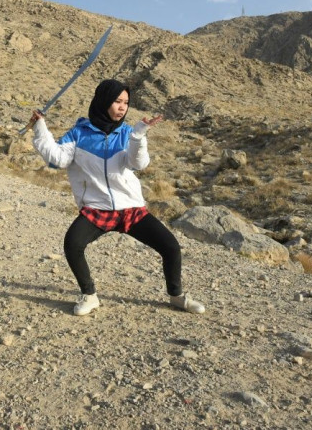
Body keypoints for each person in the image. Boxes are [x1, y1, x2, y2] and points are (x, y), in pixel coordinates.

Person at [30, 79, 205, 316]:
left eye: (125, 102)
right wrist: (40, 127)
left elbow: (138, 163)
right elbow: (57, 159)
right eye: (117, 101)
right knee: (73, 244)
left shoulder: (128, 134)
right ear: (103, 101)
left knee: (170, 247)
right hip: (97, 208)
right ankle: (90, 296)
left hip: (130, 209)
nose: (122, 107)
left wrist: (139, 136)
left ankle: (176, 296)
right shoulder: (79, 133)